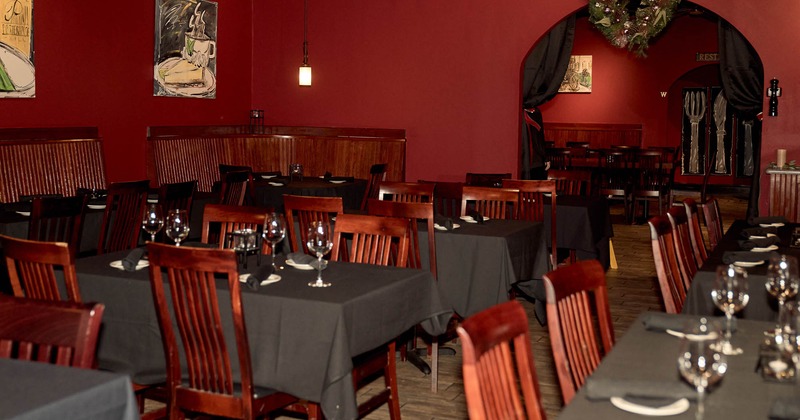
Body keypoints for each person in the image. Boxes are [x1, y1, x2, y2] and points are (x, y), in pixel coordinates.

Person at [523, 106, 549, 180]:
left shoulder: (535, 112)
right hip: (519, 160)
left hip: (536, 159)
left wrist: (545, 157)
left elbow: (539, 136)